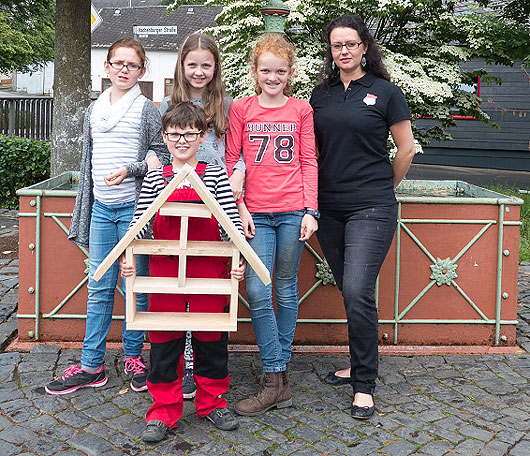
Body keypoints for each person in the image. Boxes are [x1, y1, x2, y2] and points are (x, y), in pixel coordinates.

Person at [45, 38, 170, 395]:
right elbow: (88, 161)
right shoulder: (93, 110)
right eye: (118, 63)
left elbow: (161, 155)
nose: (124, 70)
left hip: (134, 209)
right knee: (99, 286)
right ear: (107, 66)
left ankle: (134, 358)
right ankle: (91, 365)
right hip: (101, 208)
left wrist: (131, 169)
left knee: (135, 286)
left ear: (142, 71)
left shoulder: (147, 109)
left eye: (132, 65)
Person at [309, 15, 415, 420]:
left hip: (372, 206)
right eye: (337, 45)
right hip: (329, 207)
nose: (344, 51)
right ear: (331, 50)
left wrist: (384, 186)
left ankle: (364, 383)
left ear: (364, 47)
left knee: (357, 290)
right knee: (349, 287)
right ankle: (358, 363)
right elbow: (315, 150)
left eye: (351, 44)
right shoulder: (321, 95)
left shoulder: (386, 92)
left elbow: (406, 149)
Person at [120, 102, 246, 442]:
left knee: (211, 341)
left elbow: (229, 223)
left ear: (202, 137)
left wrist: (239, 260)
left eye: (190, 134)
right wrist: (127, 257)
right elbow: (140, 223)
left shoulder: (214, 174)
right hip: (163, 273)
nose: (182, 141)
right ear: (164, 136)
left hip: (209, 272)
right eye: (175, 134)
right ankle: (163, 411)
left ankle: (212, 403)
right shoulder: (155, 176)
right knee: (164, 343)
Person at [225, 33, 319, 416]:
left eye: (280, 71)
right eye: (266, 70)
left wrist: (311, 210)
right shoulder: (241, 108)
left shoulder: (301, 110)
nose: (273, 77)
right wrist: (240, 206)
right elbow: (231, 160)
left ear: (290, 73)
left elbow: (309, 160)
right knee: (258, 290)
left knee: (285, 287)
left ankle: (275, 379)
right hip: (256, 214)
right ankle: (277, 375)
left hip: (293, 210)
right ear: (254, 71)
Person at [157, 33, 246, 400]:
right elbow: (157, 150)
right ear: (182, 65)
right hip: (176, 198)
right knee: (176, 289)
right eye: (192, 64)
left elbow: (236, 152)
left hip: (215, 198)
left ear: (215, 67)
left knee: (207, 288)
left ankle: (202, 370)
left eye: (205, 65)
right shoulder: (168, 103)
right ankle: (180, 368)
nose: (198, 71)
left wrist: (238, 180)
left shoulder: (227, 105)